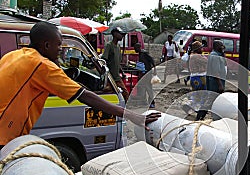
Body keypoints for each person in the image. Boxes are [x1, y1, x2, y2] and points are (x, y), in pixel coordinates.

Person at [0, 21, 160, 150]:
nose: (60, 50)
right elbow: (86, 96)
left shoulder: (15, 55)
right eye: (58, 45)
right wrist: (135, 117)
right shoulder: (41, 65)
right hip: (4, 136)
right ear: (46, 46)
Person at [196, 40, 227, 120]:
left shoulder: (217, 55)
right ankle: (199, 116)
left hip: (216, 81)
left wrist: (223, 53)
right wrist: (220, 84)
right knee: (210, 100)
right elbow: (215, 71)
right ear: (217, 46)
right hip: (215, 83)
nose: (222, 47)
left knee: (213, 100)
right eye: (221, 46)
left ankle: (204, 116)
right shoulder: (215, 56)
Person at [101, 27, 130, 102]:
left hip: (117, 77)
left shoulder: (118, 47)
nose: (122, 36)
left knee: (125, 94)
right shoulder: (109, 46)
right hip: (110, 77)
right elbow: (104, 60)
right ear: (115, 34)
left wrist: (122, 72)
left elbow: (117, 62)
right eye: (120, 34)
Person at [182, 41, 208, 120]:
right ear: (198, 49)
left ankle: (189, 106)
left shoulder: (192, 56)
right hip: (200, 77)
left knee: (196, 95)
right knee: (203, 95)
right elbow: (207, 61)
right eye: (201, 48)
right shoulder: (197, 56)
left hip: (194, 77)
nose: (202, 49)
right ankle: (199, 111)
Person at [134, 43, 157, 108]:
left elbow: (152, 61)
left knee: (148, 88)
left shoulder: (144, 53)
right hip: (143, 73)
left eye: (135, 48)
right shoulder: (140, 54)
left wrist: (155, 69)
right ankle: (144, 102)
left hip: (147, 73)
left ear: (138, 47)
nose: (134, 50)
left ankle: (152, 102)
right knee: (142, 88)